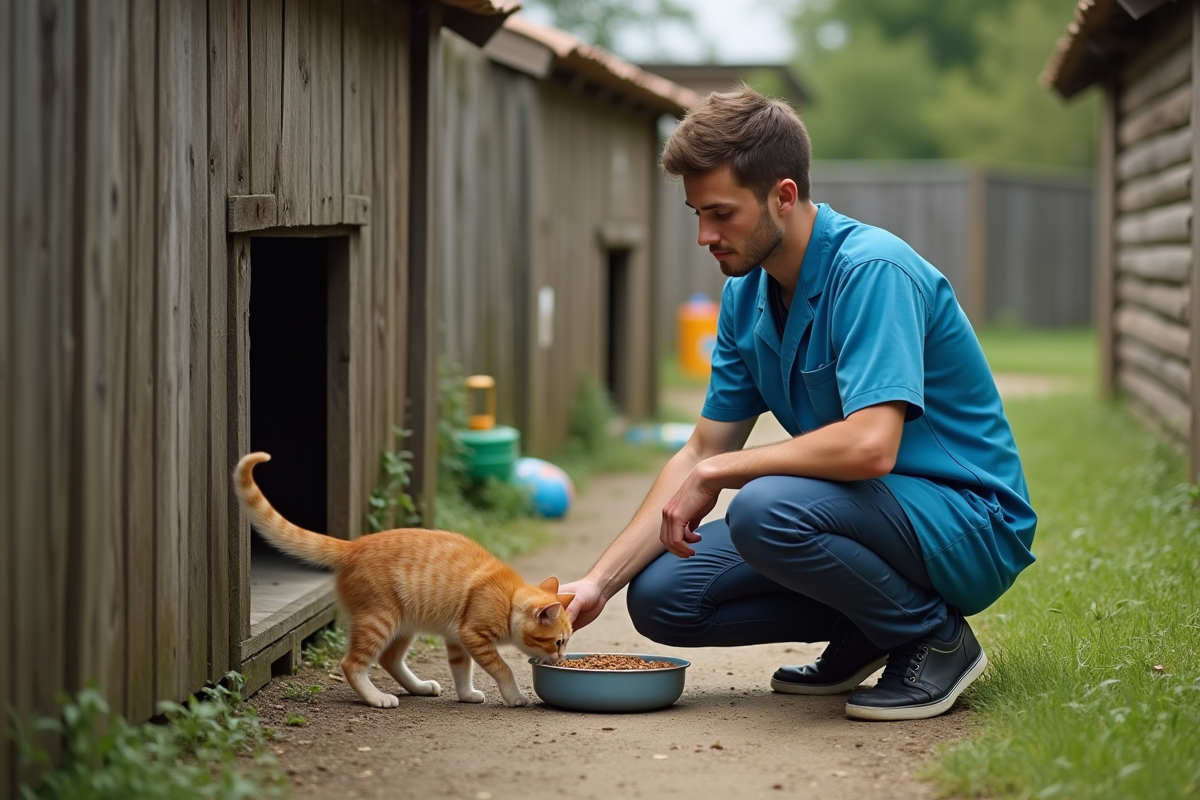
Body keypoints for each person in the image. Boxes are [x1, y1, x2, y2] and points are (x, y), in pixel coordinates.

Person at [560, 85, 1037, 721]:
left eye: (721, 213)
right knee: (664, 596)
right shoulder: (746, 297)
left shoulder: (872, 271)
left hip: (966, 519)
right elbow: (702, 448)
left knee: (765, 508)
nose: (704, 235)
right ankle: (874, 625)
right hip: (866, 515)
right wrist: (598, 582)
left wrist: (722, 472)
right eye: (696, 213)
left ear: (783, 196)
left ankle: (934, 638)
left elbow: (870, 447)